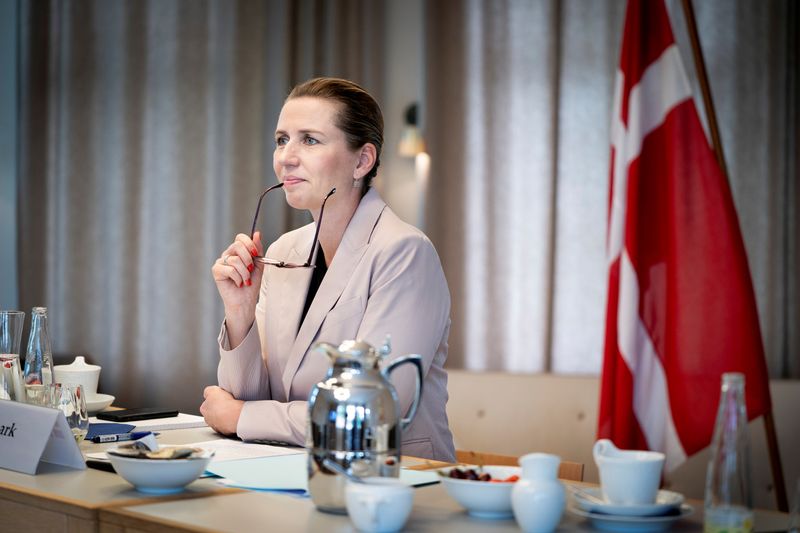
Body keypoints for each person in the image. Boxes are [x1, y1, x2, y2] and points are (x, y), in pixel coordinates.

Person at [202, 77, 456, 462]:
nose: (285, 157)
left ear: (362, 160)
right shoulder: (284, 249)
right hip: (290, 471)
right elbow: (243, 403)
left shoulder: (404, 253)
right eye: (281, 139)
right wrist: (240, 314)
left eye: (310, 140)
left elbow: (372, 417)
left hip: (395, 481)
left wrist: (243, 416)